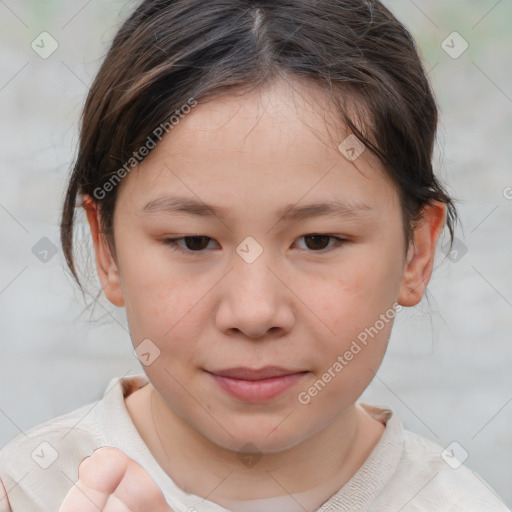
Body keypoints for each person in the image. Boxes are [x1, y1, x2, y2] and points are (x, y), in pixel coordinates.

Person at [0, 1, 509, 511]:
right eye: (194, 242)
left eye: (318, 241)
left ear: (416, 252)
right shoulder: (25, 491)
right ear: (106, 248)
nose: (254, 312)